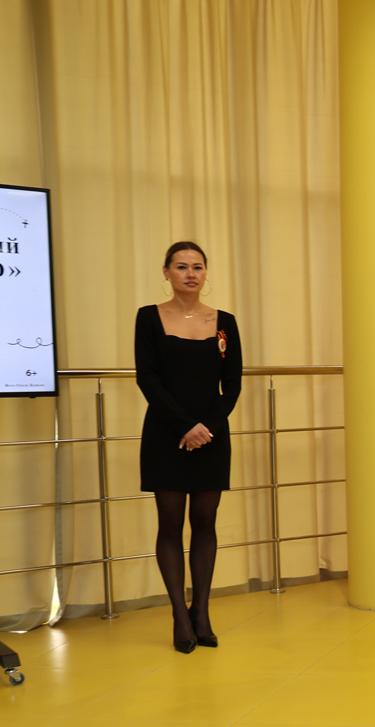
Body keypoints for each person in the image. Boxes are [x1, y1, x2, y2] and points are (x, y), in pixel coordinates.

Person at [134, 241, 242, 653]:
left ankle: (202, 612)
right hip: (166, 432)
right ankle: (180, 615)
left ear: (205, 273)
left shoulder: (225, 322)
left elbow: (232, 384)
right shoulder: (149, 317)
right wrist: (185, 426)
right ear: (166, 272)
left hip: (211, 435)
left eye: (197, 267)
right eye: (181, 267)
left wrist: (206, 428)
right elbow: (147, 378)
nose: (190, 274)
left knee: (205, 521)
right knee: (170, 522)